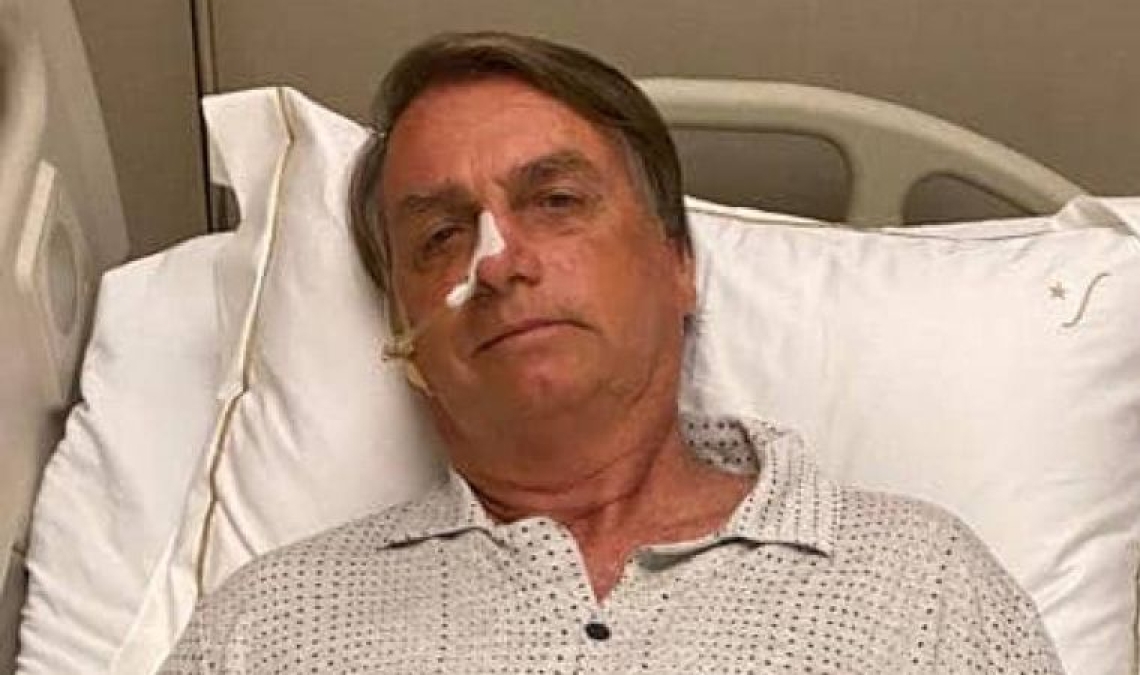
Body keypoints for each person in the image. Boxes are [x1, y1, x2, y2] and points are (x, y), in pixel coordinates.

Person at [160, 32, 1064, 674]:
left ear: (678, 263)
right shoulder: (268, 628)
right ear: (408, 339)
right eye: (440, 236)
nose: (498, 261)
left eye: (555, 201)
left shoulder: (920, 587)